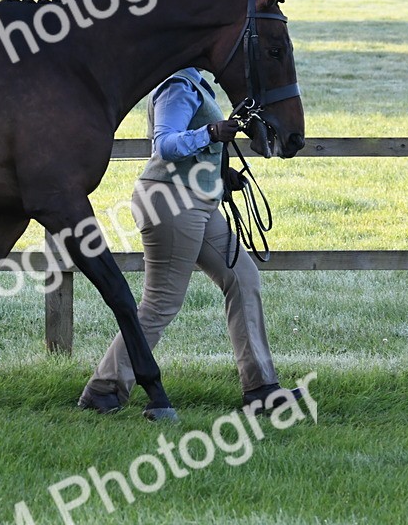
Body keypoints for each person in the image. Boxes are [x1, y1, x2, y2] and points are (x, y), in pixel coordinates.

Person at [78, 67, 299, 414]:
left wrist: (218, 172)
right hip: (171, 201)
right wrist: (212, 132)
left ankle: (261, 389)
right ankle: (104, 389)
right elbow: (165, 144)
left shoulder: (195, 82)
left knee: (243, 278)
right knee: (161, 303)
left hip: (197, 200)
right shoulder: (178, 85)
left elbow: (192, 149)